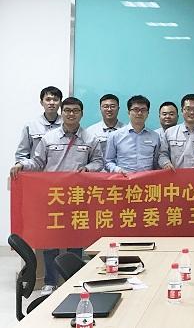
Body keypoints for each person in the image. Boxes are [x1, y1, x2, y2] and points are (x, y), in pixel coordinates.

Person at [10, 97, 103, 295]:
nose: (71, 114)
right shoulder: (49, 138)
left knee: (75, 240)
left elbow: (98, 162)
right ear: (62, 112)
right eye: (67, 110)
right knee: (50, 240)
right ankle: (50, 282)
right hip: (53, 197)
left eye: (75, 110)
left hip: (78, 197)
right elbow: (37, 162)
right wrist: (22, 165)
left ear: (81, 113)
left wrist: (88, 168)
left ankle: (73, 280)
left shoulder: (90, 139)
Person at [158, 94, 194, 171]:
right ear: (182, 110)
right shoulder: (169, 132)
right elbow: (162, 154)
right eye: (188, 109)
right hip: (175, 176)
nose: (192, 112)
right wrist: (166, 163)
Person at [105, 95, 160, 173]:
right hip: (123, 178)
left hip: (147, 179)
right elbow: (108, 162)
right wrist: (118, 170)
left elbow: (156, 163)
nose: (139, 113)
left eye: (143, 110)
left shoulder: (155, 136)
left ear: (148, 113)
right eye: (136, 109)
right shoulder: (115, 136)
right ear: (129, 112)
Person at [15, 86, 63, 162]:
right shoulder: (31, 126)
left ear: (60, 103)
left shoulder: (66, 125)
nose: (51, 103)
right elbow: (21, 155)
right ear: (41, 102)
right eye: (48, 99)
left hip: (59, 168)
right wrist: (21, 166)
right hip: (36, 168)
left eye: (55, 100)